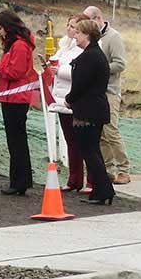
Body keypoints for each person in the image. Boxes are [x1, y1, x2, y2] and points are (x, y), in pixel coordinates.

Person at [0, 11, 37, 195]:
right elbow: (7, 71)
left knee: (17, 141)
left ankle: (19, 182)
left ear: (8, 27)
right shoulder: (13, 45)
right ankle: (19, 181)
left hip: (16, 98)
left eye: (0, 28)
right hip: (10, 96)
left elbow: (15, 72)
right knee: (15, 141)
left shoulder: (19, 46)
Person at [65, 14, 115, 205]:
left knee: (89, 151)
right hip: (95, 108)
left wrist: (69, 99)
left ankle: (103, 190)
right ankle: (102, 190)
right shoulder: (95, 54)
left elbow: (81, 84)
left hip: (88, 110)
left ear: (87, 35)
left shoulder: (89, 57)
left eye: (78, 32)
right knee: (93, 150)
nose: (75, 36)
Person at [84, 4, 130, 184]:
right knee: (101, 133)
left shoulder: (114, 37)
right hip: (95, 92)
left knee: (111, 131)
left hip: (110, 90)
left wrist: (99, 69)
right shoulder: (90, 38)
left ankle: (124, 170)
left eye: (87, 20)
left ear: (97, 19)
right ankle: (108, 170)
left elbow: (120, 64)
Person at [49, 17, 87, 193]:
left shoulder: (84, 49)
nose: (69, 29)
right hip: (61, 98)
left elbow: (80, 73)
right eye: (68, 25)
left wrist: (59, 71)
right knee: (70, 141)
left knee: (84, 143)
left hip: (75, 99)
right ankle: (74, 179)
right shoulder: (65, 45)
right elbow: (56, 62)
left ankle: (90, 181)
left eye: (74, 27)